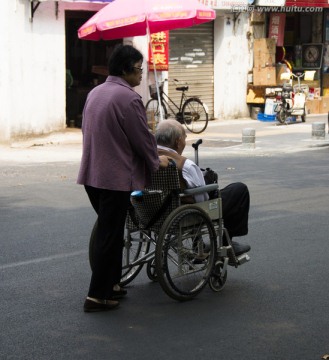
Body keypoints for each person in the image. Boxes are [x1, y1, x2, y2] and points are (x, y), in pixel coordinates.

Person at [77, 45, 169, 313]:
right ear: (126, 69)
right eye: (139, 69)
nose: (141, 75)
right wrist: (156, 161)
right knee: (109, 235)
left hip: (91, 175)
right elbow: (142, 138)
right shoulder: (128, 99)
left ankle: (113, 284)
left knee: (113, 233)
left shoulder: (96, 92)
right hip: (113, 178)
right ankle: (96, 296)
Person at [155, 119, 250, 256]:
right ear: (177, 141)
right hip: (184, 211)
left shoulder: (148, 157)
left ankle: (197, 244)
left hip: (153, 211)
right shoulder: (184, 165)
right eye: (184, 138)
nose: (185, 142)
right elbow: (202, 198)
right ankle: (225, 242)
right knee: (239, 190)